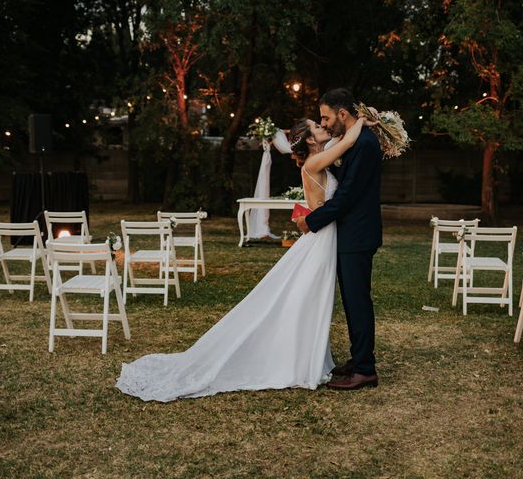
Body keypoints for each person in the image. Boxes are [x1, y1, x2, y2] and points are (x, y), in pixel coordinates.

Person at [116, 116, 372, 402]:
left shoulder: (319, 157)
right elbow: (347, 140)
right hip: (321, 240)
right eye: (318, 126)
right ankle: (297, 361)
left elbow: (339, 142)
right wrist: (361, 119)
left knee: (309, 299)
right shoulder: (314, 163)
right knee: (305, 299)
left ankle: (307, 355)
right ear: (311, 140)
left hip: (324, 238)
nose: (324, 126)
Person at [296, 88, 383, 391]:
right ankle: (358, 358)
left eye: (326, 117)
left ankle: (365, 370)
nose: (325, 122)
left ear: (343, 114)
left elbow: (346, 197)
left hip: (357, 234)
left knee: (358, 302)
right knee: (351, 301)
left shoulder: (364, 145)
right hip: (349, 234)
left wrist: (312, 221)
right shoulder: (352, 143)